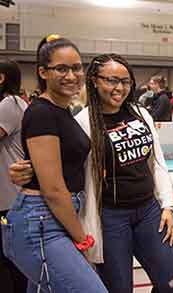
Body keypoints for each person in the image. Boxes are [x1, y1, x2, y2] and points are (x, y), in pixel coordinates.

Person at [11, 53, 173, 293]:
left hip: (148, 211)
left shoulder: (140, 113)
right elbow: (61, 169)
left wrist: (167, 205)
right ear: (94, 80)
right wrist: (24, 173)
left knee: (171, 281)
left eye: (125, 82)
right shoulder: (81, 122)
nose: (119, 88)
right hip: (110, 218)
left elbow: (157, 161)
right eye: (111, 80)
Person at [1, 36, 108, 292]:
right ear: (42, 72)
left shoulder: (63, 111)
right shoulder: (41, 113)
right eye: (61, 69)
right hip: (40, 222)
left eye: (76, 68)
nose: (71, 75)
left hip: (53, 218)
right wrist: (82, 240)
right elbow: (54, 190)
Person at [0, 59, 28, 293]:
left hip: (8, 200)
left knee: (10, 262)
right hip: (10, 196)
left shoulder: (9, 104)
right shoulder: (16, 103)